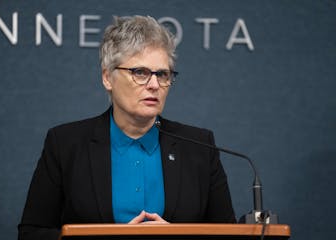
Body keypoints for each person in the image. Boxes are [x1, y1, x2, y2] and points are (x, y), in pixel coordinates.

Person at [18, 15, 236, 240]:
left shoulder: (200, 147)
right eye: (140, 72)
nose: (154, 85)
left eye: (162, 74)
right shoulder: (65, 144)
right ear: (107, 78)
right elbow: (31, 234)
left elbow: (230, 235)